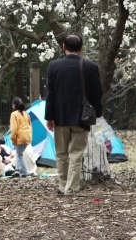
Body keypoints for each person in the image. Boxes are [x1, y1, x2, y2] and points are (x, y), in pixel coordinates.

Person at [45, 34, 103, 195]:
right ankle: (71, 188)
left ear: (64, 47)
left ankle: (62, 186)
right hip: (81, 118)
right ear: (81, 48)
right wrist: (98, 112)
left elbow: (50, 94)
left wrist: (49, 117)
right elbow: (97, 93)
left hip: (60, 117)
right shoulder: (90, 67)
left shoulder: (54, 66)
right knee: (76, 154)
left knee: (61, 154)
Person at [10, 97, 32, 177]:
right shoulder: (26, 113)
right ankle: (18, 170)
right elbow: (30, 125)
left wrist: (12, 138)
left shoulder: (14, 114)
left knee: (19, 155)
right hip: (28, 136)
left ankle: (25, 172)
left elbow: (14, 129)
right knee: (20, 153)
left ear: (14, 105)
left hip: (20, 137)